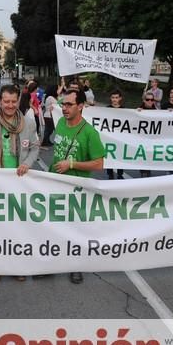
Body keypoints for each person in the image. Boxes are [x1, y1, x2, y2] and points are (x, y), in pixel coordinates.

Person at [0, 84, 40, 283]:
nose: (10, 105)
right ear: (0, 101)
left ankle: (17, 265)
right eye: (6, 101)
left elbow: (35, 148)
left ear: (18, 101)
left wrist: (27, 164)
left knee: (17, 227)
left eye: (13, 101)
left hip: (19, 182)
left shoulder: (29, 123)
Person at [51, 89, 105, 284]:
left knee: (75, 230)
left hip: (77, 189)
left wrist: (71, 164)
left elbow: (99, 164)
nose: (64, 108)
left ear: (81, 106)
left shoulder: (90, 132)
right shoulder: (60, 123)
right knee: (53, 226)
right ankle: (50, 263)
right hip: (54, 184)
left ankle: (76, 266)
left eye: (69, 104)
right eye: (63, 104)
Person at [137, 92, 158, 177]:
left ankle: (148, 170)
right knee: (142, 154)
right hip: (141, 138)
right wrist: (137, 112)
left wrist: (169, 113)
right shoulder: (138, 110)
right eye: (147, 99)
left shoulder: (157, 112)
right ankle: (142, 171)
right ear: (144, 100)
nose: (150, 101)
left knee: (149, 154)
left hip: (151, 138)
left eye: (152, 100)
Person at [106, 89, 125, 180]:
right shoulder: (106, 109)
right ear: (110, 98)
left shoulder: (124, 110)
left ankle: (120, 174)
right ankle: (110, 174)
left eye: (116, 98)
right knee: (109, 155)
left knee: (120, 155)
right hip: (109, 137)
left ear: (120, 98)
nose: (114, 99)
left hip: (120, 138)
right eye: (113, 97)